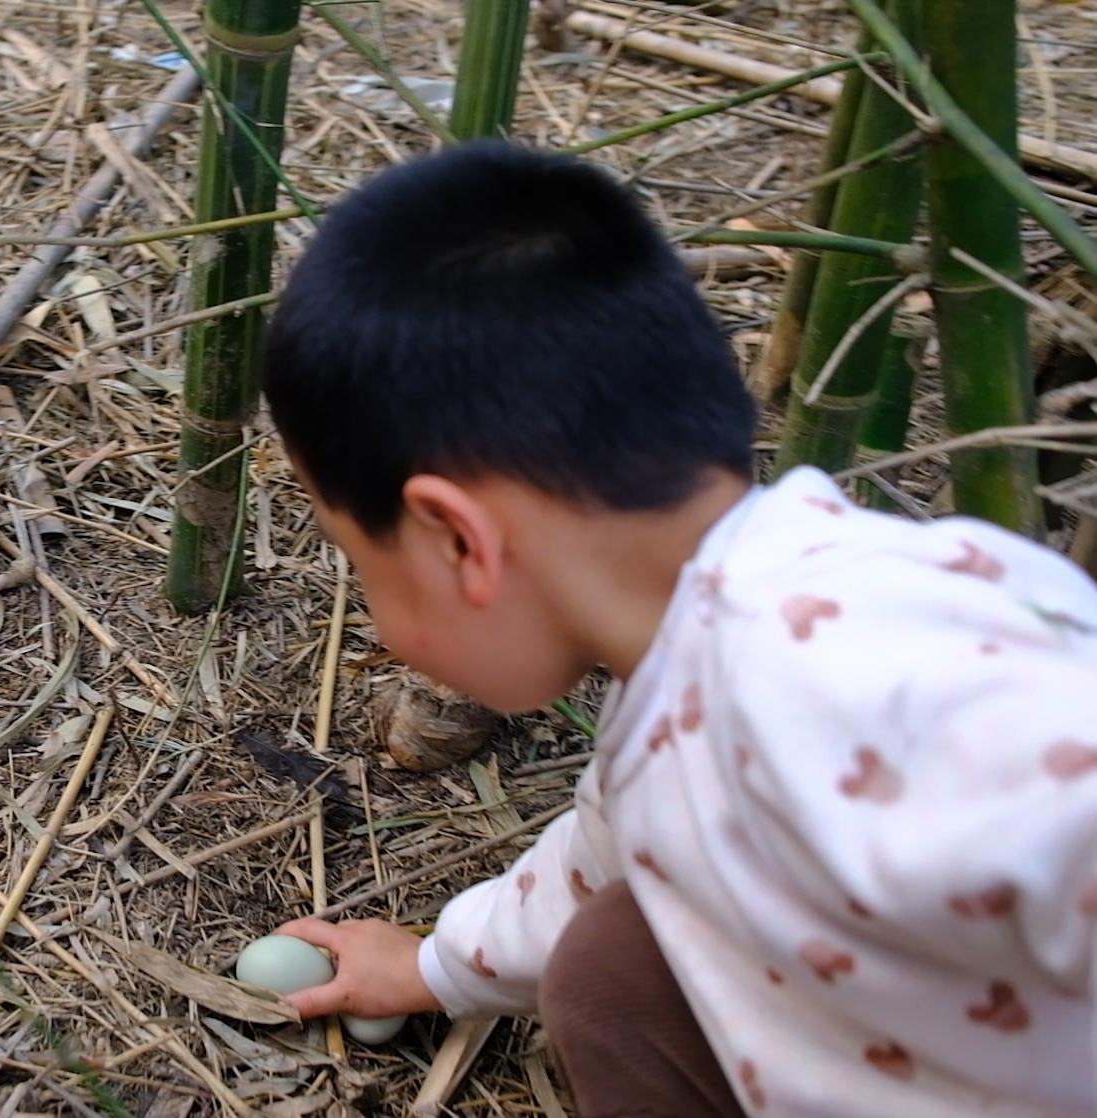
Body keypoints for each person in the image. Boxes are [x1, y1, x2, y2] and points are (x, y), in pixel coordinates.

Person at [257, 141, 1097, 1117]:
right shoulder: (690, 671)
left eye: (362, 563)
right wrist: (432, 967)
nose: (375, 614)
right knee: (612, 963)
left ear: (459, 541)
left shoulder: (855, 678)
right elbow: (604, 857)